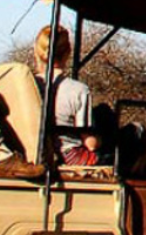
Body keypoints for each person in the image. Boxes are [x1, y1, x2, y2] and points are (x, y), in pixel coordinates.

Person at [36, 25, 99, 165]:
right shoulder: (79, 90)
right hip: (69, 156)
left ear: (38, 51)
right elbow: (91, 144)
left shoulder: (29, 84)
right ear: (67, 53)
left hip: (35, 152)